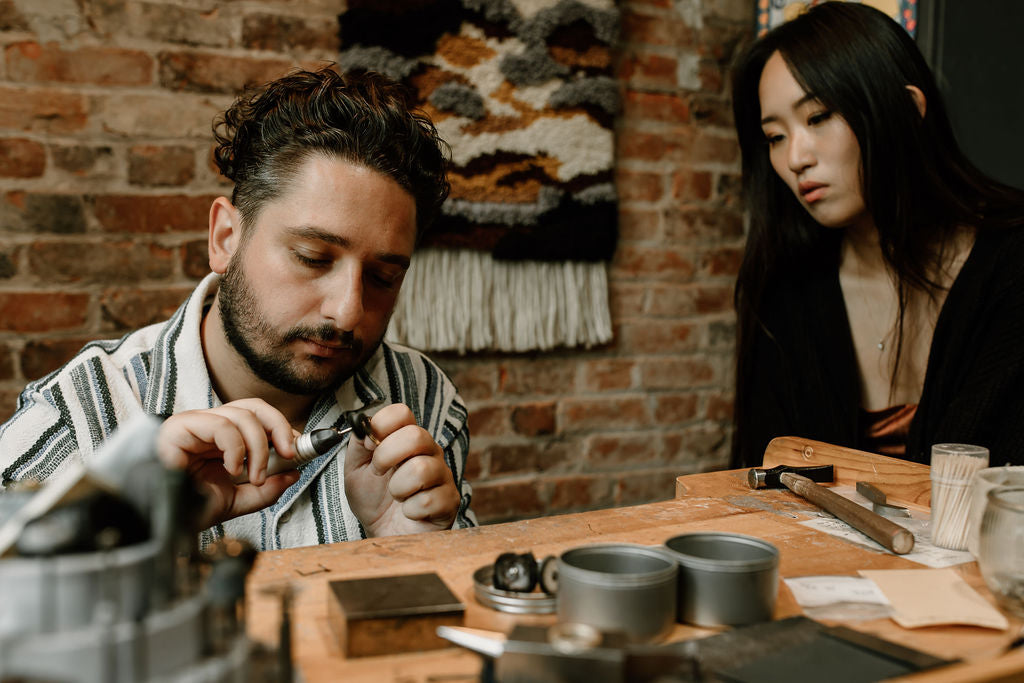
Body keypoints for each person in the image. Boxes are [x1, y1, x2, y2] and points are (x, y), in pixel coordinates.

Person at [0, 66, 476, 549]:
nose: (349, 312)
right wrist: (139, 528)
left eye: (383, 277)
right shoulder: (79, 414)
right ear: (226, 238)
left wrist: (409, 552)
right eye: (313, 258)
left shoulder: (422, 398)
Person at [729, 2, 1024, 468]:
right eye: (774, 136)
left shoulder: (1012, 268)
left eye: (819, 116)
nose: (795, 158)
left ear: (907, 110)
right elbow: (760, 484)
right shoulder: (785, 288)